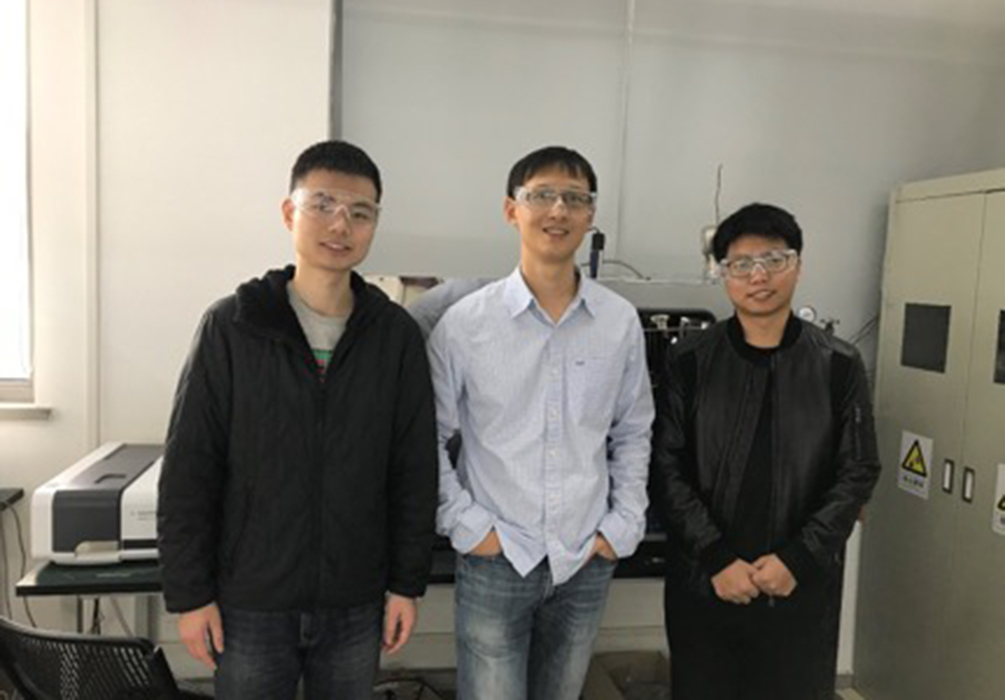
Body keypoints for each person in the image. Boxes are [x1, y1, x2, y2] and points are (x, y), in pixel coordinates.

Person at [157, 140, 438, 700]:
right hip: (250, 602)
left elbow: (413, 470)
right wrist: (190, 596)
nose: (341, 224)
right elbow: (190, 467)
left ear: (374, 225)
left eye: (360, 212)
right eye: (323, 205)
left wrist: (406, 585)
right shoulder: (233, 326)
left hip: (356, 601)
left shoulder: (395, 336)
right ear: (290, 213)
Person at [427, 146, 655, 700]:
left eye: (574, 199)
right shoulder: (465, 324)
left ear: (590, 215)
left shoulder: (618, 321)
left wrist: (622, 524)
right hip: (498, 557)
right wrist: (468, 527)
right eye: (542, 196)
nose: (558, 210)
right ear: (512, 210)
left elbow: (633, 429)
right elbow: (426, 437)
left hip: (584, 558)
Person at [652, 202, 881, 700]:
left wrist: (798, 559)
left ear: (798, 265)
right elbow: (665, 467)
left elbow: (858, 470)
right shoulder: (689, 361)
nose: (758, 276)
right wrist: (716, 557)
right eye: (741, 264)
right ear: (723, 274)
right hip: (706, 582)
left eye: (774, 260)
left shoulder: (838, 364)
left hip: (801, 586)